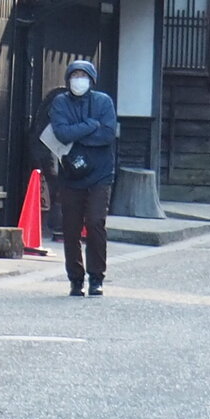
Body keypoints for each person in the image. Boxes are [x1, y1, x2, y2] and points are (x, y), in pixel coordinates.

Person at [47, 58, 120, 297]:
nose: (79, 80)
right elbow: (60, 132)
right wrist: (90, 125)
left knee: (96, 222)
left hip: (100, 173)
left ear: (91, 79)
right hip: (71, 173)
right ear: (68, 79)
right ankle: (75, 280)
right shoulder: (60, 102)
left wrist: (77, 134)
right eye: (75, 75)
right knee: (70, 228)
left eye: (83, 75)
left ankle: (97, 278)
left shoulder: (103, 102)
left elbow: (108, 134)